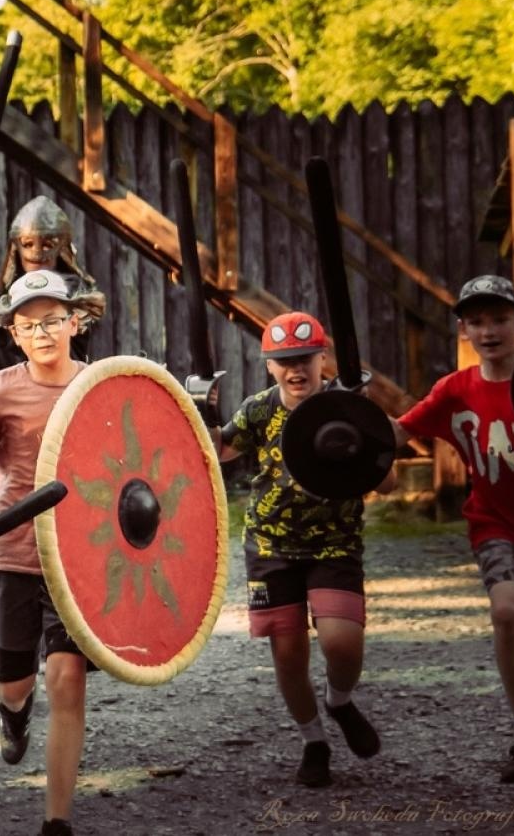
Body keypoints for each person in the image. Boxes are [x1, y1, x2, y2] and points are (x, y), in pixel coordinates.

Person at [0, 271, 92, 836]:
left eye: (54, 320)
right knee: (17, 683)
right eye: (31, 325)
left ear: (75, 323)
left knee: (67, 678)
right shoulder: (2, 389)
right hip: (10, 554)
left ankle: (57, 819)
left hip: (76, 557)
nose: (45, 332)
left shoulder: (99, 383)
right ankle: (13, 714)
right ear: (14, 333)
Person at [216, 311, 390, 789]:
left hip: (334, 544)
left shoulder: (347, 405)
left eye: (305, 358)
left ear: (322, 358)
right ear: (270, 366)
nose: (296, 369)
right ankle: (314, 740)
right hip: (271, 546)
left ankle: (339, 700)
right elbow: (216, 450)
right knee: (289, 654)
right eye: (284, 361)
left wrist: (367, 427)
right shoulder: (258, 408)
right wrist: (198, 409)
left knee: (341, 642)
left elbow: (389, 480)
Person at [391, 275, 514, 783]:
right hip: (496, 524)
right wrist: (348, 410)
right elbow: (395, 434)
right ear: (463, 331)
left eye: (500, 318)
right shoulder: (455, 391)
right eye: (477, 322)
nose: (490, 330)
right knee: (508, 613)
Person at [0, 196, 105, 370]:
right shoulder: (3, 286)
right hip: (8, 393)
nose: (36, 253)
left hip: (61, 393)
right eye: (28, 243)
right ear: (17, 248)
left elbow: (23, 323)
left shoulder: (73, 290)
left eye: (47, 244)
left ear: (61, 249)